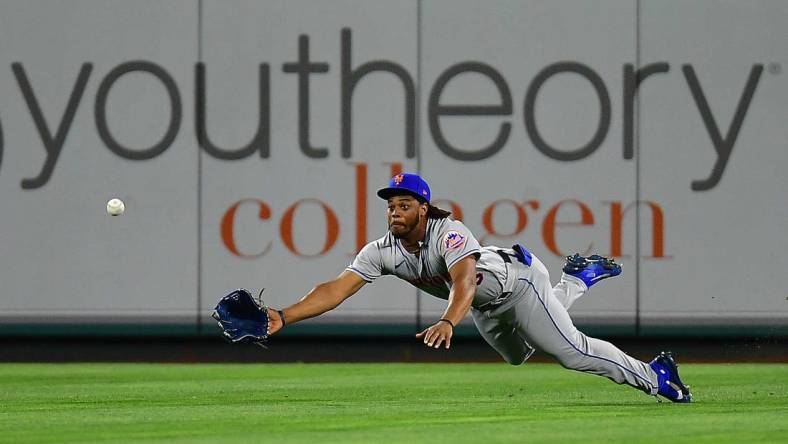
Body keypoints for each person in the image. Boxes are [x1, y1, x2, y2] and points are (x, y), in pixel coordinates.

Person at [264, 173, 692, 403]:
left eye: (404, 204)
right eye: (390, 205)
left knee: (571, 351)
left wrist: (450, 320)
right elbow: (336, 288)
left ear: (424, 208)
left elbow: (464, 281)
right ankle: (577, 279)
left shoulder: (447, 232)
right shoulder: (382, 251)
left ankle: (655, 376)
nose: (395, 211)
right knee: (519, 356)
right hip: (486, 309)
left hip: (519, 284)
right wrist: (284, 315)